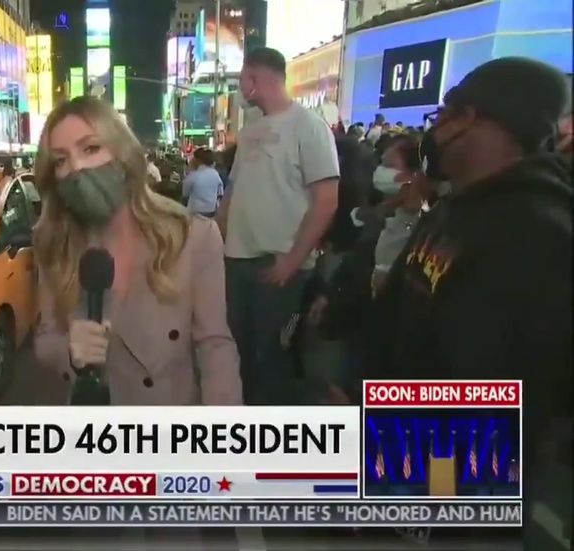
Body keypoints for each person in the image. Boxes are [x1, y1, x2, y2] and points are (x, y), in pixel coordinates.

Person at [369, 58, 571, 551]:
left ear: (470, 118)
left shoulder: (537, 232)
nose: (433, 132)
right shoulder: (457, 208)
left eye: (443, 117)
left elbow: (505, 391)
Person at [33, 96, 242, 405]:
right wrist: (68, 350)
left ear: (123, 155)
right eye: (61, 160)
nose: (76, 167)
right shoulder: (54, 243)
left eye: (90, 148)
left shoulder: (192, 238)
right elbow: (45, 339)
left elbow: (215, 347)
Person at [218, 47, 339, 405]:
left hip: (279, 267)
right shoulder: (250, 131)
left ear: (254, 78)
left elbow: (326, 200)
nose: (240, 86)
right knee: (235, 354)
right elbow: (234, 193)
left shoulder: (309, 127)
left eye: (242, 77)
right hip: (235, 262)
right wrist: (213, 235)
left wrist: (291, 260)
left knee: (273, 358)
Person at [182, 147, 224, 217]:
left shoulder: (193, 176)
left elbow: (185, 194)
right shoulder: (216, 174)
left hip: (194, 213)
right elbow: (220, 193)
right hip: (212, 212)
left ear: (197, 160)